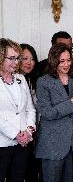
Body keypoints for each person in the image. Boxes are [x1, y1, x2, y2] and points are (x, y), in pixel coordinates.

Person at [35, 43, 73, 182]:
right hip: (53, 145)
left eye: (68, 60)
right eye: (62, 61)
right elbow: (47, 113)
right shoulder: (43, 82)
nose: (66, 64)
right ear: (53, 61)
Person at [0, 38, 36, 182]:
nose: (16, 62)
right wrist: (16, 134)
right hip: (3, 143)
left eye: (17, 58)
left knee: (18, 178)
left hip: (23, 143)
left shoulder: (21, 79)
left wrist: (28, 130)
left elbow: (30, 109)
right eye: (12, 58)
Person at [19, 43, 42, 182]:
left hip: (36, 135)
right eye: (25, 58)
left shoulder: (37, 81)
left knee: (33, 173)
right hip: (17, 136)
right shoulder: (8, 80)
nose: (29, 62)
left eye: (32, 59)